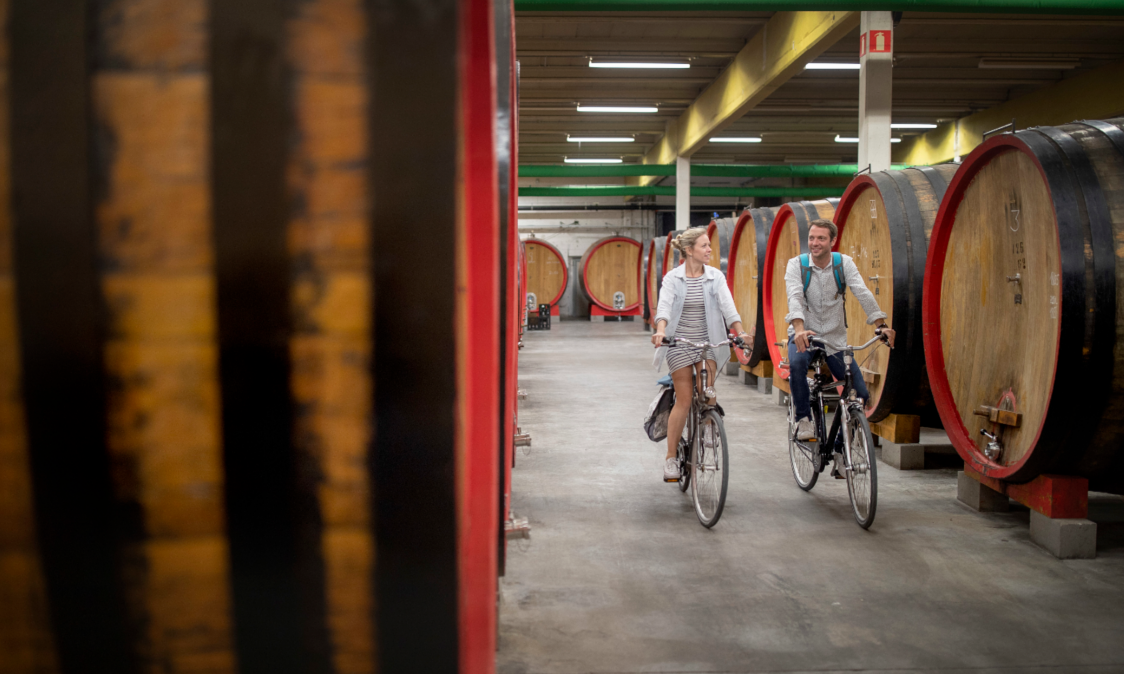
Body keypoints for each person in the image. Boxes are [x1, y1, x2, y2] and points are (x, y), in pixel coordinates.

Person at [784, 218, 895, 444]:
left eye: (821, 238)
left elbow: (861, 291)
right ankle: (803, 419)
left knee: (860, 395)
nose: (815, 243)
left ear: (833, 241)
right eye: (812, 238)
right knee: (796, 364)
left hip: (835, 338)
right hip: (805, 333)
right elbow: (794, 296)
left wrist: (880, 324)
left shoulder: (843, 263)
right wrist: (799, 328)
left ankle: (838, 449)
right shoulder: (796, 264)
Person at [651, 227, 748, 483]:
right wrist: (661, 331)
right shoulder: (673, 278)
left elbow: (728, 306)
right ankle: (671, 458)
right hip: (680, 343)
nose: (709, 250)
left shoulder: (716, 276)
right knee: (683, 399)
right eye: (704, 246)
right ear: (689, 250)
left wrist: (741, 332)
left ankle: (708, 427)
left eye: (709, 246)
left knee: (708, 391)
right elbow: (664, 308)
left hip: (709, 341)